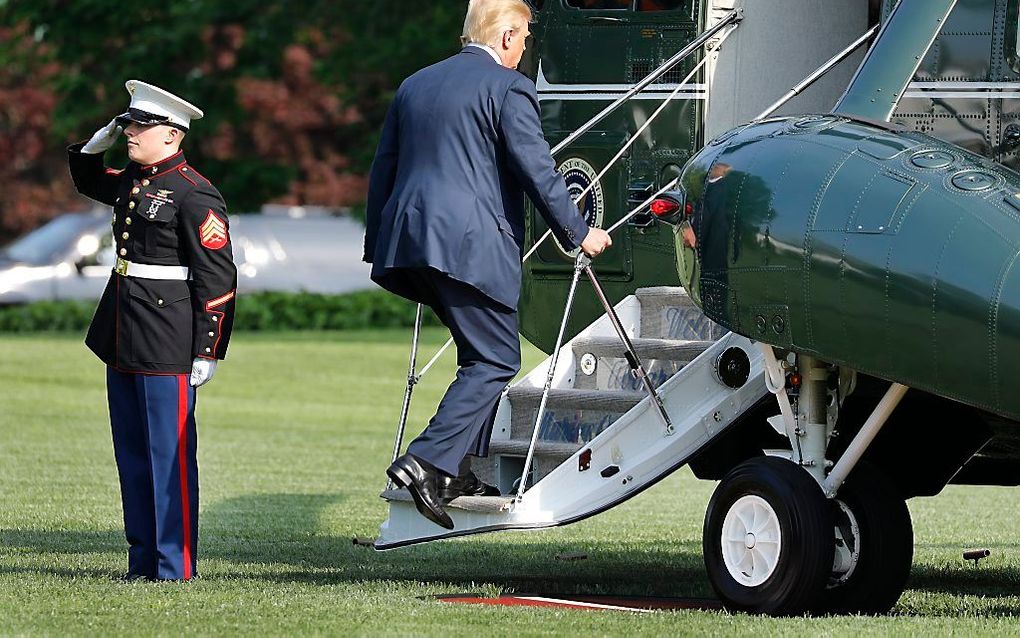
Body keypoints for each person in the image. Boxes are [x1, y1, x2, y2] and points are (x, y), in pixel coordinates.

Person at [364, 0, 612, 529]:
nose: (525, 51)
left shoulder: (415, 84)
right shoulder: (508, 87)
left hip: (412, 242)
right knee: (496, 358)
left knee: (479, 354)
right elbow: (538, 170)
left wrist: (380, 242)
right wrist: (579, 232)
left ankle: (461, 469)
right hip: (469, 245)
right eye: (524, 39)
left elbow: (383, 167)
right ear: (505, 37)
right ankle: (426, 461)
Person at [67, 80, 237, 581]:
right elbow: (87, 178)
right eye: (128, 124)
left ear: (171, 134)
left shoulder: (193, 192)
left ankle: (174, 565)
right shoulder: (135, 181)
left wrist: (207, 347)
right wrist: (94, 144)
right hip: (123, 330)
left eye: (139, 126)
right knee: (134, 455)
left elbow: (217, 275)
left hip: (168, 336)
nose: (130, 133)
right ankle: (142, 561)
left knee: (169, 457)